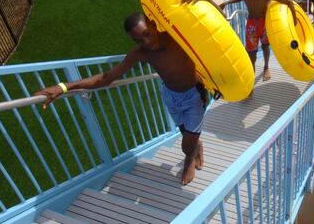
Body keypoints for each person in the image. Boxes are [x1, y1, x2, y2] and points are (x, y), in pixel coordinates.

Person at [35, 11, 217, 185]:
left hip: (194, 95)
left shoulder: (177, 37)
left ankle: (189, 157)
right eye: (138, 40)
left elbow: (214, 27)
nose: (146, 42)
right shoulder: (141, 53)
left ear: (153, 24)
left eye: (147, 34)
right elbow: (106, 77)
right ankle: (196, 144)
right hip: (171, 96)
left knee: (186, 146)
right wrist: (65, 86)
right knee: (187, 135)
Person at [194, 0, 297, 82]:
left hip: (264, 24)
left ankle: (266, 67)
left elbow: (289, 2)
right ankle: (251, 76)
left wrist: (294, 22)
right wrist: (226, 2)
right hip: (252, 25)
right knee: (251, 53)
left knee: (265, 47)